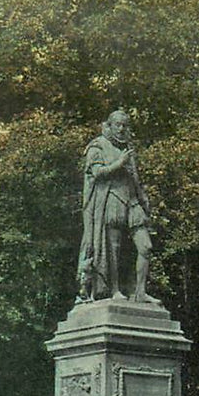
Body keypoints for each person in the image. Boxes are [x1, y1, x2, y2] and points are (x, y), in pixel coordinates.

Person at [77, 109, 158, 304]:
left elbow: (134, 177)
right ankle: (113, 290)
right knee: (112, 247)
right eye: (118, 125)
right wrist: (119, 163)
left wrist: (142, 197)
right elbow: (96, 173)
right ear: (110, 125)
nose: (121, 129)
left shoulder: (127, 148)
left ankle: (140, 291)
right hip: (111, 198)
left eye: (125, 126)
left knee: (146, 246)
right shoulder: (98, 146)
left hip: (132, 201)